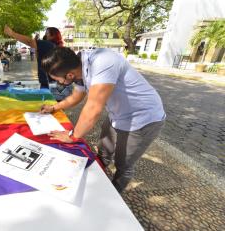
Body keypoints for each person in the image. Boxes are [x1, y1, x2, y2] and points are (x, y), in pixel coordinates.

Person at [40, 47, 166, 193]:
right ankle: (97, 179)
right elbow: (76, 97)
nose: (58, 83)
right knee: (104, 151)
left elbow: (93, 108)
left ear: (69, 75)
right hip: (118, 115)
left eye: (57, 80)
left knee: (123, 164)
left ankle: (113, 194)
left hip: (143, 119)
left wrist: (72, 136)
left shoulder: (103, 61)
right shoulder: (80, 69)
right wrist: (54, 108)